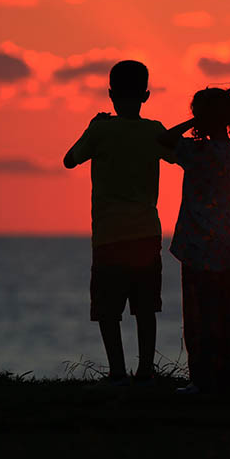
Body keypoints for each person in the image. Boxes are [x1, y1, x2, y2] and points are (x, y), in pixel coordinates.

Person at [63, 60, 175, 385]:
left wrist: (90, 128)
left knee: (108, 311)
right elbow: (178, 153)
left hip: (109, 237)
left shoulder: (100, 130)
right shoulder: (154, 131)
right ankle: (145, 371)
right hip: (146, 234)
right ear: (146, 95)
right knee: (145, 309)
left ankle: (116, 371)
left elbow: (70, 160)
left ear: (110, 94)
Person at [158, 84, 230, 394]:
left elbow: (161, 140)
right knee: (228, 311)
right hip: (227, 243)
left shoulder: (194, 150)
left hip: (195, 243)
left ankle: (200, 379)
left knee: (197, 313)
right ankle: (226, 376)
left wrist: (193, 121)